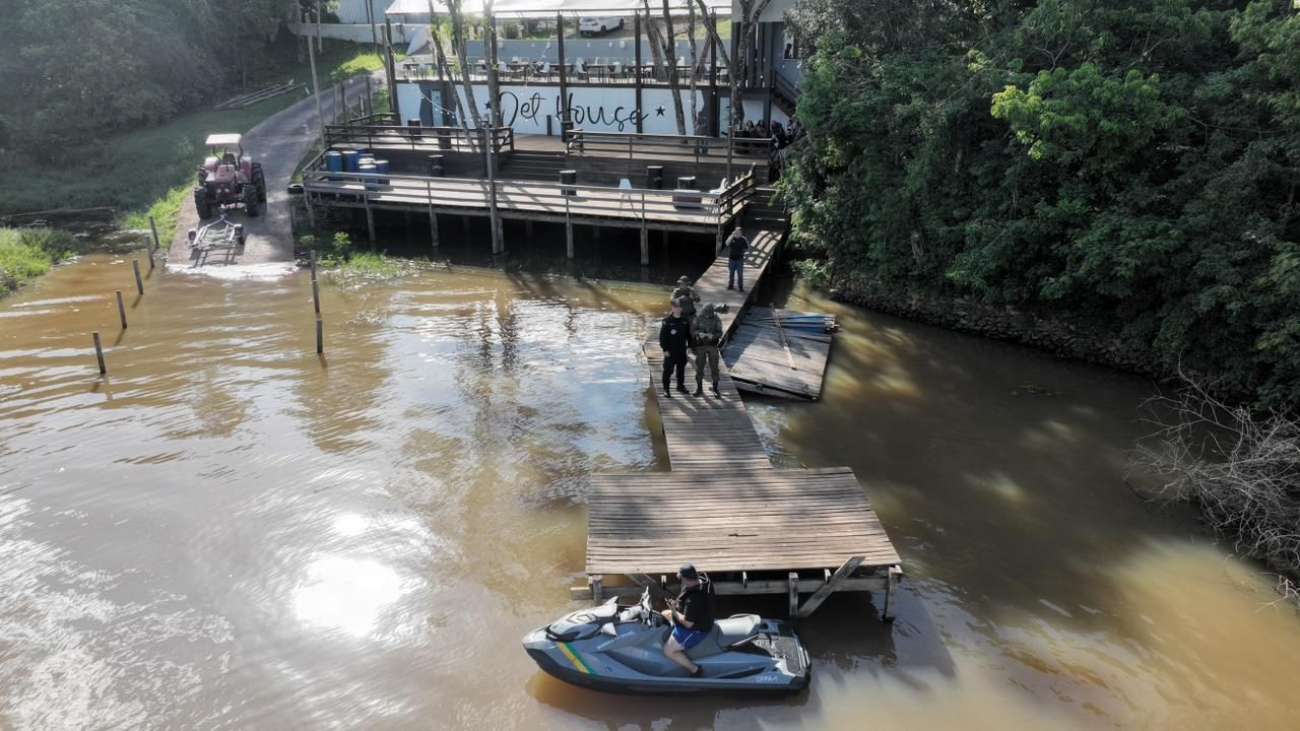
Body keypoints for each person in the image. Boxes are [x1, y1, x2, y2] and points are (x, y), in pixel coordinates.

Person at [660, 564, 714, 677]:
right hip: (700, 613)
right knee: (664, 613)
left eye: (680, 578)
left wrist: (674, 610)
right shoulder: (704, 581)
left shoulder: (693, 599)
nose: (680, 580)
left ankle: (695, 670)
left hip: (697, 629)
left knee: (668, 651)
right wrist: (676, 606)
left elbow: (688, 624)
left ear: (684, 579)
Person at [659, 299, 691, 398]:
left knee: (681, 370)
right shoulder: (666, 321)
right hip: (670, 351)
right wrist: (665, 350)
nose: (677, 309)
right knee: (668, 370)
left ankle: (680, 386)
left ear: (681, 308)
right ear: (672, 308)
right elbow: (662, 338)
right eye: (675, 307)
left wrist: (690, 346)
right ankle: (666, 389)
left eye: (679, 307)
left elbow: (688, 335)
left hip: (682, 350)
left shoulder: (685, 320)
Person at [691, 303, 723, 397]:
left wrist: (713, 336)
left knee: (714, 367)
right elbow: (693, 330)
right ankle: (699, 389)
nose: (707, 315)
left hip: (712, 346)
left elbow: (720, 333)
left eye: (709, 313)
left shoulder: (716, 319)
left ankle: (715, 388)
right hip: (700, 346)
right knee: (699, 367)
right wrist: (698, 333)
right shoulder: (698, 318)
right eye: (705, 313)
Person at [725, 226, 749, 292]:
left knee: (740, 274)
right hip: (731, 259)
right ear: (734, 232)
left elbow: (747, 248)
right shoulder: (732, 238)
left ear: (741, 233)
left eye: (739, 232)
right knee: (731, 273)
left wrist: (744, 252)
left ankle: (741, 287)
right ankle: (730, 285)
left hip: (739, 259)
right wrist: (732, 235)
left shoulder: (743, 239)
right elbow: (727, 244)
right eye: (736, 232)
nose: (738, 233)